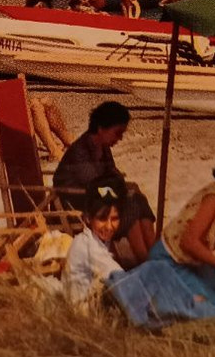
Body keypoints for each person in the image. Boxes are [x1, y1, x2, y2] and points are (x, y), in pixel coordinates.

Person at [107, 134, 215, 327]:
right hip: (172, 259)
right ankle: (140, 287)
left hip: (196, 262)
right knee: (211, 311)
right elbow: (188, 242)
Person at [52, 102, 155, 263]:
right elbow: (95, 182)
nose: (120, 138)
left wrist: (118, 185)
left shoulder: (103, 147)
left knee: (137, 198)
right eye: (117, 133)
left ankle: (154, 253)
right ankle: (144, 259)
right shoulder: (80, 150)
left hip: (95, 197)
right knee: (130, 202)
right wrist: (118, 186)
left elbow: (113, 176)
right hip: (76, 204)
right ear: (101, 129)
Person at [62, 179, 128, 311]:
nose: (109, 226)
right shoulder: (88, 246)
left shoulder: (96, 239)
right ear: (87, 218)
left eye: (114, 218)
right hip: (82, 313)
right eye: (102, 219)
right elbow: (121, 279)